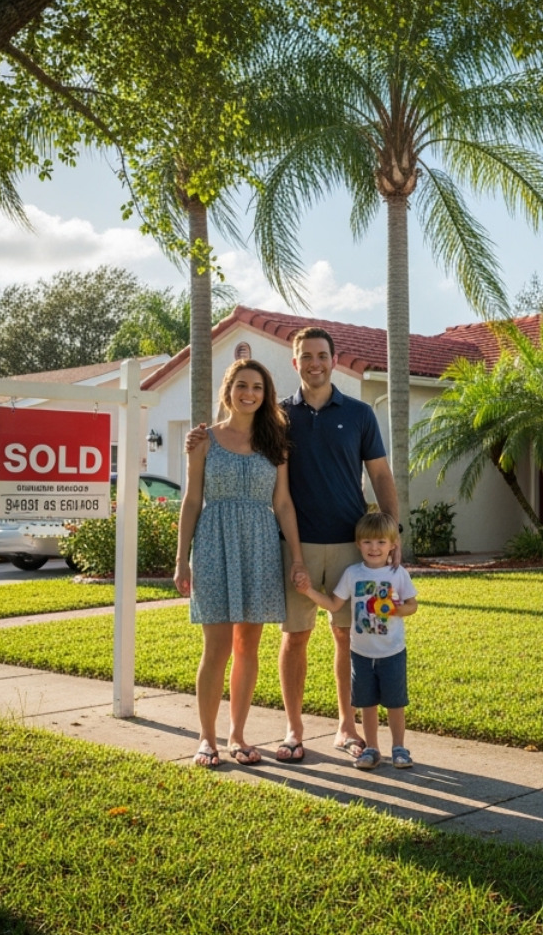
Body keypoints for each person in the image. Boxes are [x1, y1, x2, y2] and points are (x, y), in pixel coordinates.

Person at [185, 326, 398, 763]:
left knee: (347, 637)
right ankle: (293, 731)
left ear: (333, 360)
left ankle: (345, 726)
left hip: (348, 544)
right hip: (285, 547)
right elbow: (217, 480)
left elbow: (379, 475)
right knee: (293, 638)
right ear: (295, 362)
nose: (315, 363)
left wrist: (392, 534)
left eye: (323, 355)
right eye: (307, 356)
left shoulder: (358, 414)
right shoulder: (277, 419)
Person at [174, 359, 306, 768]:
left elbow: (283, 503)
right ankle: (206, 739)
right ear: (228, 389)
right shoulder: (203, 440)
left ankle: (238, 736)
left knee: (248, 646)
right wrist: (182, 561)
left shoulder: (276, 442)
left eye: (258, 388)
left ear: (265, 396)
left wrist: (297, 556)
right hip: (213, 543)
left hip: (261, 546)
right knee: (215, 648)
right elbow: (192, 501)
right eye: (242, 385)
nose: (250, 393)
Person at [295, 511, 417, 769]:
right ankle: (372, 749)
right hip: (360, 653)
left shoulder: (398, 574)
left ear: (393, 545)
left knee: (395, 703)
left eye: (381, 542)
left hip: (392, 651)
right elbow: (333, 603)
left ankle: (399, 748)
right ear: (358, 544)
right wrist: (309, 591)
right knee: (366, 703)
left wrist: (394, 609)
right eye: (368, 542)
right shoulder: (353, 573)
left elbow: (412, 606)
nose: (374, 548)